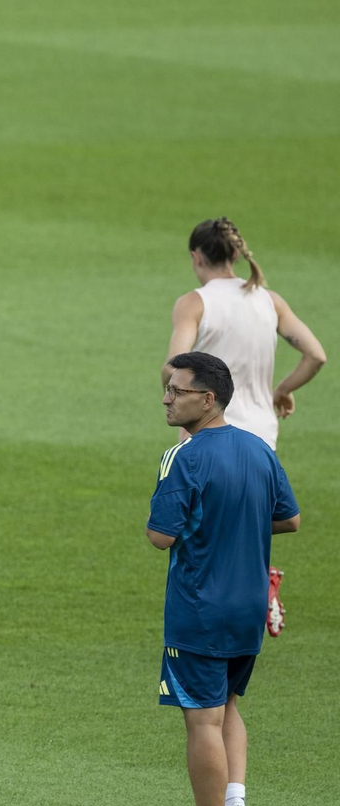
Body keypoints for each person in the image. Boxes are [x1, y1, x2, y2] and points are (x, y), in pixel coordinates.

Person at [148, 352, 300, 806]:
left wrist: (198, 519)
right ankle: (234, 802)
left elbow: (159, 536)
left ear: (207, 399)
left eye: (176, 390)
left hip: (199, 609)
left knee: (202, 720)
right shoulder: (258, 449)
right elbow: (288, 519)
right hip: (248, 606)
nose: (166, 398)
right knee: (229, 704)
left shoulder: (184, 456)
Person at [164, 217, 326, 636]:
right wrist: (280, 391)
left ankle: (224, 609)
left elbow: (173, 367)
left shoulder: (194, 302)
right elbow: (316, 355)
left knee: (195, 528)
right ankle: (260, 587)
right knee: (245, 521)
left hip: (208, 433)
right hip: (260, 438)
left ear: (196, 256)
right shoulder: (269, 301)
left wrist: (175, 396)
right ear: (235, 254)